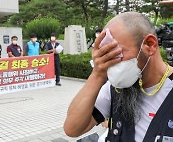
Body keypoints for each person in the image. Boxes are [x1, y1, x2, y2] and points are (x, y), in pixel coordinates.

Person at [64, 12, 173, 142]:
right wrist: (97, 74)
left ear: (150, 45)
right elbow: (73, 129)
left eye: (117, 53)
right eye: (105, 54)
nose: (111, 62)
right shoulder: (116, 89)